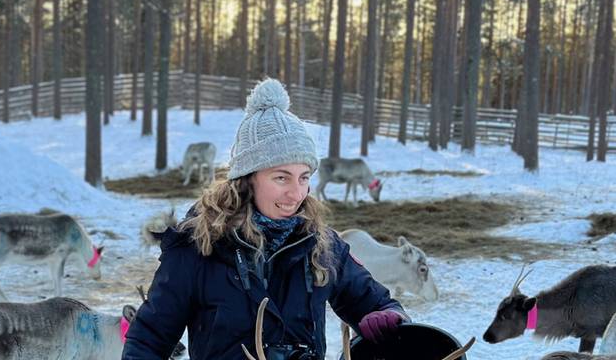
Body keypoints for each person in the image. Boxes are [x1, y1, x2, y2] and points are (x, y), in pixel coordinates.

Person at [123, 78, 408, 360]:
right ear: (247, 180)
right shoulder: (198, 247)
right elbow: (148, 340)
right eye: (281, 177)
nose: (296, 194)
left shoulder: (322, 246)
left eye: (304, 177)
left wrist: (386, 315)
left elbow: (378, 302)